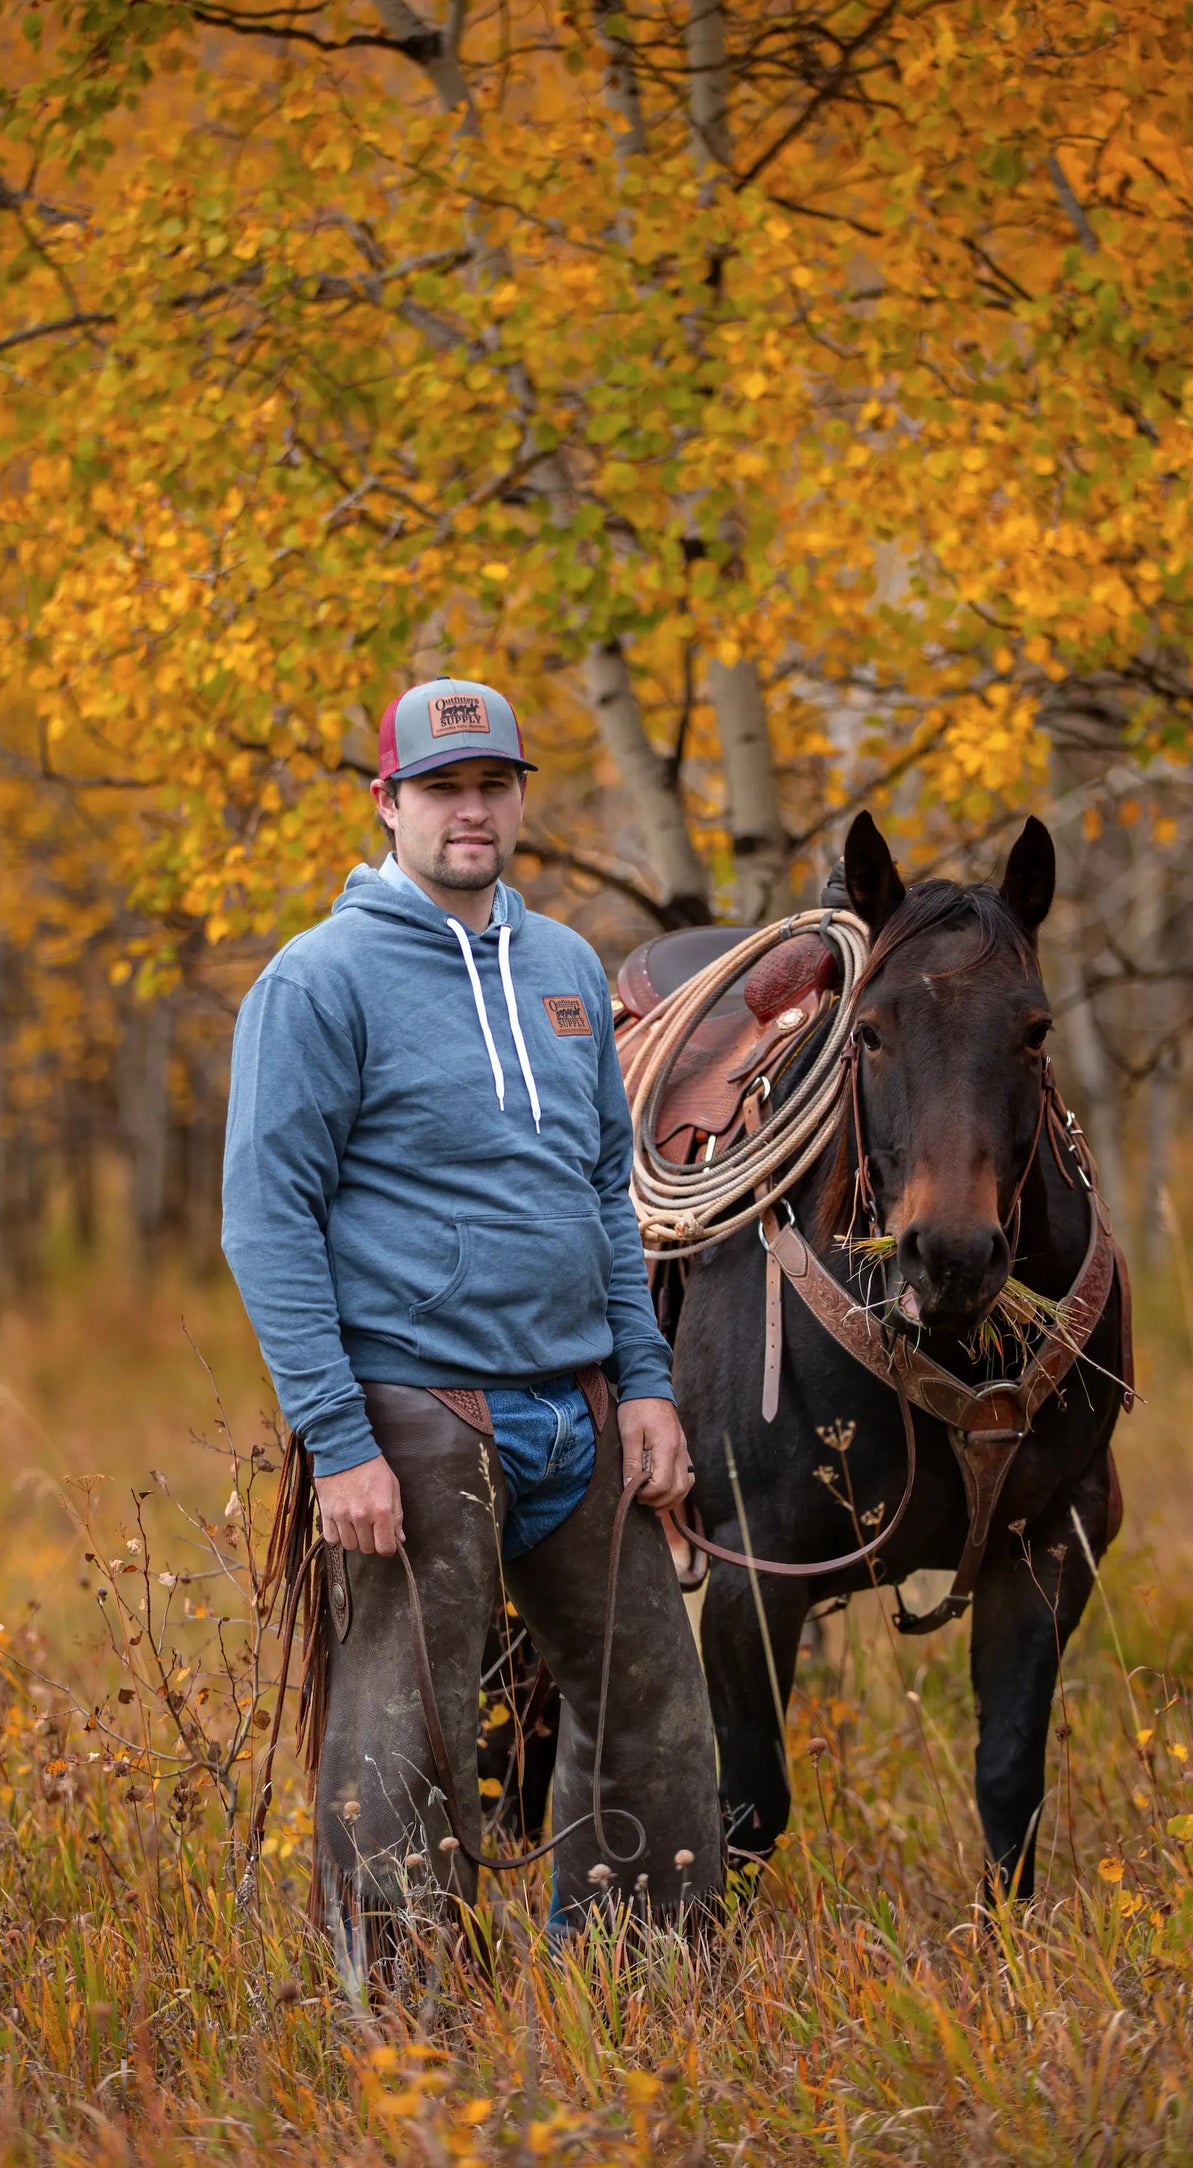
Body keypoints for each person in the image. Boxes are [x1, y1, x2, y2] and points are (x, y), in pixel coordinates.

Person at [222, 675, 723, 1940]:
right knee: (409, 1727)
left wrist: (648, 1381)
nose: (470, 809)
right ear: (386, 801)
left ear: (516, 801)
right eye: (440, 787)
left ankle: (638, 1973)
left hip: (580, 1408)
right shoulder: (316, 980)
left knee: (651, 1708)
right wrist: (339, 1440)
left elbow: (606, 1195)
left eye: (492, 784)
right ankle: (403, 2023)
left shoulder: (560, 964)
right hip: (420, 1417)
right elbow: (265, 1223)